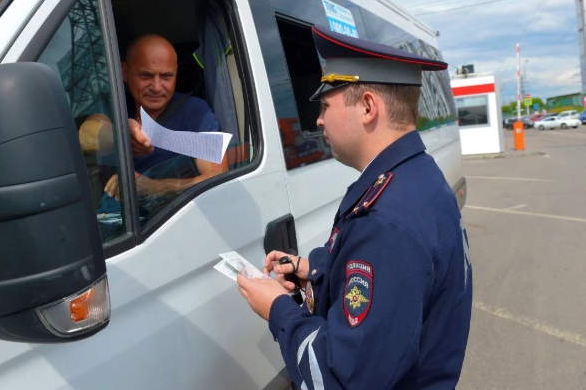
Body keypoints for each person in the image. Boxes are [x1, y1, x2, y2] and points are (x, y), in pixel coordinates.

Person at [237, 26, 472, 389]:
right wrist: (314, 269)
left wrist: (277, 310)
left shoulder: (387, 222)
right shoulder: (415, 179)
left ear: (366, 106)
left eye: (326, 105)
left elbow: (340, 378)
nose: (318, 120)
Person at [79, 34, 228, 198]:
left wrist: (153, 187)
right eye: (146, 76)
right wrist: (120, 135)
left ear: (176, 73)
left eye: (166, 76)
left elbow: (218, 177)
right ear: (125, 72)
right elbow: (86, 134)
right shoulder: (116, 106)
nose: (157, 87)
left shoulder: (195, 113)